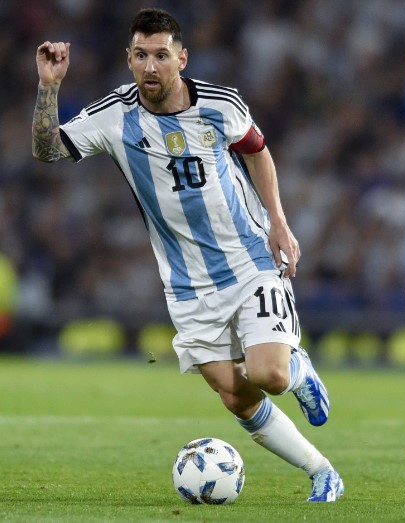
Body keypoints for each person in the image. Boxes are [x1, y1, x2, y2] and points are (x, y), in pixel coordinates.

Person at [32, 7, 343, 503]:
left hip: (248, 260)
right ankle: (322, 471)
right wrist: (49, 87)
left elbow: (257, 152)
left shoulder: (221, 104)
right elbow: (48, 150)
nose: (150, 66)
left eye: (161, 55)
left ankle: (299, 370)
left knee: (270, 375)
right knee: (235, 394)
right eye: (141, 56)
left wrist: (279, 222)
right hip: (187, 284)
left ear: (182, 59)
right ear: (128, 60)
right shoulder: (114, 115)